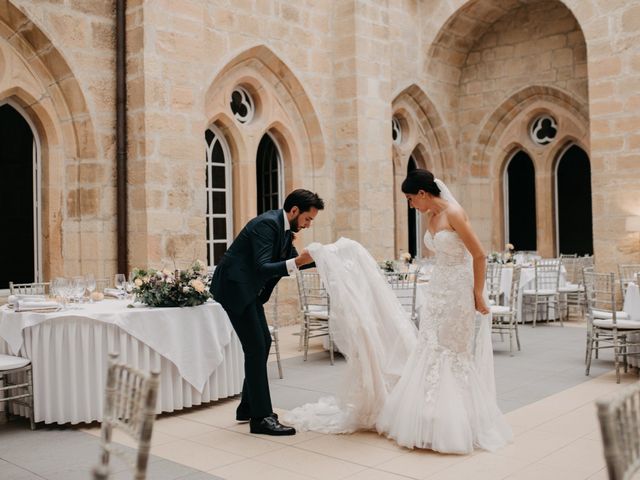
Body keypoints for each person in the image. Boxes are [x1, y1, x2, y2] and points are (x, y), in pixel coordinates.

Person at [376, 169, 511, 453]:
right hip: (437, 288)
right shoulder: (431, 216)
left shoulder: (454, 213)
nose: (411, 204)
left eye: (411, 199)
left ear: (423, 194)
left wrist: (477, 293)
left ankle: (457, 423)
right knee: (429, 346)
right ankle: (428, 419)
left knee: (451, 351)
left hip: (459, 290)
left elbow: (479, 254)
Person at [211, 189, 324, 436]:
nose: (308, 225)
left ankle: (247, 407)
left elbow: (296, 261)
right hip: (234, 289)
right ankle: (260, 418)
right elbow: (264, 267)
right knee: (255, 347)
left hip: (248, 291)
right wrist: (299, 261)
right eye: (307, 219)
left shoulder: (285, 230)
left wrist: (328, 258)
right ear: (294, 210)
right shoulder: (266, 225)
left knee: (263, 342)